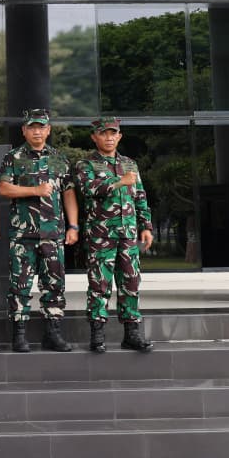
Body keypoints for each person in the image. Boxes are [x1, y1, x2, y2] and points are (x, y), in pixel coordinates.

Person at [0, 109, 78, 352]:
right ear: (24, 130)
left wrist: (73, 226)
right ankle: (19, 335)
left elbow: (68, 193)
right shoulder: (13, 157)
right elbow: (4, 188)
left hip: (53, 234)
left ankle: (53, 333)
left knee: (54, 285)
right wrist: (34, 191)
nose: (37, 131)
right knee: (19, 286)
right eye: (32, 127)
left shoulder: (59, 158)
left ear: (48, 130)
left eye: (41, 127)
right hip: (23, 235)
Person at [73, 116, 154, 353]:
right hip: (101, 235)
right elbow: (88, 189)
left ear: (119, 136)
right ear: (94, 137)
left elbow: (140, 196)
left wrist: (146, 226)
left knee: (131, 282)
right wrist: (119, 181)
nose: (109, 138)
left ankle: (132, 334)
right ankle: (97, 334)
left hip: (128, 234)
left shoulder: (130, 164)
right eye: (104, 133)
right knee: (99, 284)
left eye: (113, 133)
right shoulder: (86, 164)